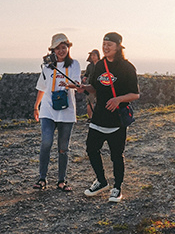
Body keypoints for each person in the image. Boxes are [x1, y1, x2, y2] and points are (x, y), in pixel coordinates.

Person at [81, 32, 139, 203]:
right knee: (91, 149)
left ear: (118, 47)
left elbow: (135, 94)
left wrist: (118, 99)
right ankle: (101, 181)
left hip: (117, 120)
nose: (105, 47)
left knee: (116, 155)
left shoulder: (127, 68)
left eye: (109, 45)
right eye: (104, 44)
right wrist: (83, 87)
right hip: (99, 117)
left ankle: (117, 188)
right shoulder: (99, 65)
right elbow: (95, 87)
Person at [32, 33, 81, 192]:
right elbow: (42, 87)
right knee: (46, 143)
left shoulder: (74, 65)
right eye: (58, 48)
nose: (61, 51)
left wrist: (68, 84)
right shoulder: (47, 66)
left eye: (64, 47)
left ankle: (61, 180)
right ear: (52, 50)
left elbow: (78, 85)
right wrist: (36, 106)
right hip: (48, 110)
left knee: (63, 148)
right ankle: (42, 178)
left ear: (68, 48)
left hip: (67, 111)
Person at [83, 49, 100, 118]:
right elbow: (86, 74)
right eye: (91, 55)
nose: (92, 57)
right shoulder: (90, 66)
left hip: (100, 86)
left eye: (94, 55)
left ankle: (100, 117)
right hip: (91, 86)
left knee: (101, 102)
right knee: (90, 102)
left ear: (98, 56)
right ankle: (90, 117)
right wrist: (84, 78)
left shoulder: (101, 64)